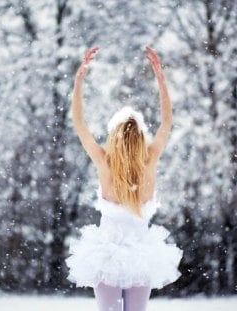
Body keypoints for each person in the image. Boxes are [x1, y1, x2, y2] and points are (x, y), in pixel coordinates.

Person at [65, 46, 183, 311]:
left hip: (106, 254)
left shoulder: (105, 162)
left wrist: (79, 80)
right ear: (141, 138)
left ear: (114, 138)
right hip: (142, 253)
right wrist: (161, 80)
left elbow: (80, 124)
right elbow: (166, 123)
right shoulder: (150, 160)